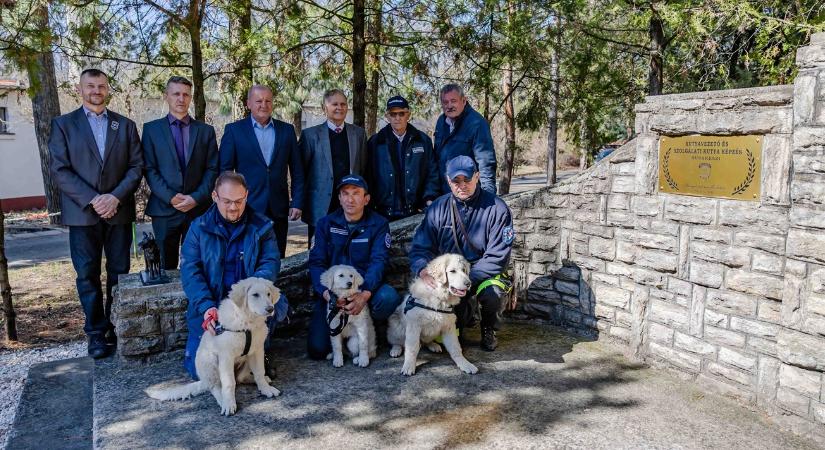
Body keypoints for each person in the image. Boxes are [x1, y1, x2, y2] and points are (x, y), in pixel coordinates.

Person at [48, 68, 143, 359]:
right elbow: (59, 170)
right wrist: (93, 199)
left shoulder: (124, 125)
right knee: (87, 275)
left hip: (118, 211)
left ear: (108, 89)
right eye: (90, 86)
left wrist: (114, 197)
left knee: (119, 272)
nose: (96, 91)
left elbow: (136, 166)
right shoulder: (64, 125)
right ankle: (96, 333)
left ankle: (118, 325)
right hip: (82, 214)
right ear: (80, 90)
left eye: (101, 86)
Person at [180, 171, 288, 380]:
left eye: (239, 201)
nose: (233, 207)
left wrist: (251, 298)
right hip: (212, 303)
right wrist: (206, 307)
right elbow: (190, 272)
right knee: (201, 374)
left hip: (247, 305)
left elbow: (269, 264)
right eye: (227, 201)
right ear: (214, 196)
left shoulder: (262, 226)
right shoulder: (198, 228)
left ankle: (257, 350)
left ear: (247, 195)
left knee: (276, 304)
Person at [408, 155, 514, 351]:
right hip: (451, 277)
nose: (461, 185)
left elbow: (497, 258)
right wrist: (422, 269)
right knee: (446, 343)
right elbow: (420, 248)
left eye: (467, 179)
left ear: (477, 177)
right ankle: (464, 319)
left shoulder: (498, 208)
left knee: (494, 295)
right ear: (448, 181)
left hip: (483, 274)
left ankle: (489, 327)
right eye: (456, 181)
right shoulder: (438, 208)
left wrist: (465, 280)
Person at [306, 175, 401, 359]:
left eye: (356, 194)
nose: (350, 199)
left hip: (364, 288)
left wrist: (364, 294)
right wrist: (327, 294)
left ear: (366, 199)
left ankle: (366, 329)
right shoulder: (325, 224)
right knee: (317, 350)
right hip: (334, 294)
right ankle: (347, 333)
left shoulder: (379, 224)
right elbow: (317, 263)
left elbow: (378, 262)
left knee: (388, 298)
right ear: (339, 198)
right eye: (345, 194)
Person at [219, 85, 305, 257]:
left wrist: (297, 202)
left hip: (278, 208)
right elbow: (224, 172)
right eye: (258, 101)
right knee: (246, 258)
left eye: (268, 101)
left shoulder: (286, 131)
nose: (263, 105)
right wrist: (228, 203)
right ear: (248, 103)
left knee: (277, 258)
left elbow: (297, 170)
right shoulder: (234, 131)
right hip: (246, 206)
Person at [143, 76, 219, 269]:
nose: (181, 98)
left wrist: (196, 198)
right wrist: (171, 197)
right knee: (163, 267)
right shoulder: (151, 130)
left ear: (190, 98)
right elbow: (149, 169)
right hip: (164, 208)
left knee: (198, 264)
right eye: (176, 93)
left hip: (198, 208)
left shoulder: (205, 131)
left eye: (186, 94)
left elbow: (212, 169)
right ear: (166, 96)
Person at [299, 89, 367, 244]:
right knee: (318, 251)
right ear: (325, 107)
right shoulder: (310, 136)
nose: (339, 108)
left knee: (349, 248)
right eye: (334, 104)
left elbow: (363, 169)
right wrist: (299, 202)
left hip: (349, 203)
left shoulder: (358, 134)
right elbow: (301, 172)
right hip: (321, 205)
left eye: (343, 104)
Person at [365, 95, 439, 221]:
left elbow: (432, 173)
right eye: (393, 114)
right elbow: (368, 175)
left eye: (401, 113)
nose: (397, 118)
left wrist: (429, 198)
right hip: (382, 213)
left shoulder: (422, 141)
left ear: (408, 115)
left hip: (415, 212)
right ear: (387, 116)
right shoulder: (376, 142)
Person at [433, 84, 497, 195]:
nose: (449, 106)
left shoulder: (476, 123)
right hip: (445, 194)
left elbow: (486, 163)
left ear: (464, 100)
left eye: (453, 101)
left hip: (468, 194)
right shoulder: (441, 122)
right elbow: (436, 160)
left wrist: (488, 197)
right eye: (445, 102)